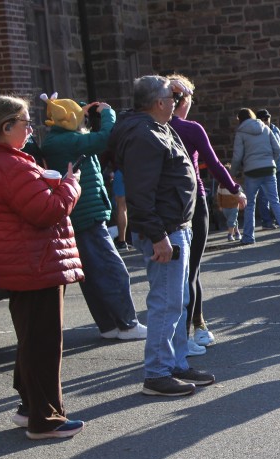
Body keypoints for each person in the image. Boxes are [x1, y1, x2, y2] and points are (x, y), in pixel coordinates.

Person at [0, 96, 85, 438]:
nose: (30, 130)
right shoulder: (12, 165)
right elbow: (45, 211)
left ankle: (30, 408)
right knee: (43, 343)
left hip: (21, 261)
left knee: (31, 338)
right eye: (25, 123)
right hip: (34, 261)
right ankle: (45, 419)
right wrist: (70, 186)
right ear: (7, 126)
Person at [110, 75, 215, 397]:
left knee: (177, 302)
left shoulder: (153, 126)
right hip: (165, 230)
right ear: (158, 102)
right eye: (172, 98)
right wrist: (158, 236)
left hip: (173, 226)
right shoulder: (144, 134)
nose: (176, 102)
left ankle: (176, 364)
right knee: (166, 304)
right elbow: (141, 194)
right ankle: (157, 373)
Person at [38, 96, 146, 343]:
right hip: (87, 217)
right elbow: (106, 138)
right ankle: (127, 324)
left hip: (80, 215)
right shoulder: (68, 141)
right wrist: (107, 113)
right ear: (70, 119)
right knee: (112, 271)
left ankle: (109, 325)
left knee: (92, 275)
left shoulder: (58, 139)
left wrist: (81, 110)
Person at [168, 75, 246, 355]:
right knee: (191, 270)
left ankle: (196, 325)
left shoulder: (151, 127)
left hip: (165, 204)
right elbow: (213, 163)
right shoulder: (190, 128)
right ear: (184, 100)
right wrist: (235, 189)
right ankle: (187, 334)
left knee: (178, 272)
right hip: (193, 200)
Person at [231, 108, 280, 245]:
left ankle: (248, 236)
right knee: (275, 202)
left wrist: (232, 174)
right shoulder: (265, 128)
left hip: (251, 171)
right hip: (269, 169)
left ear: (240, 119)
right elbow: (277, 149)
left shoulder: (241, 133)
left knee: (250, 204)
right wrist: (272, 162)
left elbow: (237, 157)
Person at [253, 108, 280, 231]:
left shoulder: (275, 129)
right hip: (265, 168)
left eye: (267, 118)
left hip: (278, 168)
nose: (265, 120)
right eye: (262, 119)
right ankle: (266, 221)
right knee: (264, 197)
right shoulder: (257, 132)